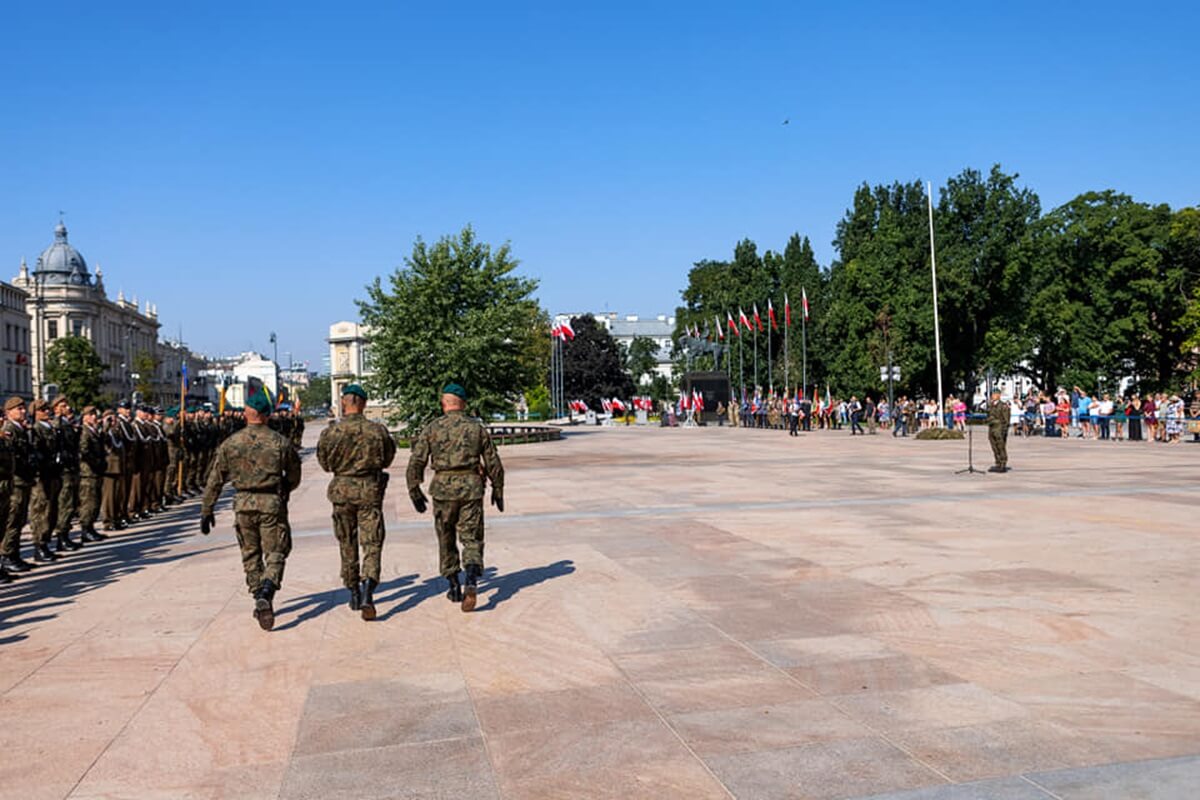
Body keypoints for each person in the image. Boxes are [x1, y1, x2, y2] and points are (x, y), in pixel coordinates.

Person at [200, 390, 301, 631]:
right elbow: (294, 474)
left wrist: (207, 509)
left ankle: (258, 595)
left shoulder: (231, 443)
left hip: (243, 503)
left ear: (247, 414)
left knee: (250, 553)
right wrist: (284, 489)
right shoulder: (279, 441)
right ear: (266, 415)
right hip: (270, 503)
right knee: (276, 551)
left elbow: (215, 478)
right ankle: (267, 588)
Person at [406, 383, 504, 612]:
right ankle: (470, 580)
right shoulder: (476, 428)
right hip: (470, 488)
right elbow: (493, 461)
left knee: (446, 536)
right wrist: (498, 488)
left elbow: (416, 461)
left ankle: (453, 586)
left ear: (444, 403)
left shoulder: (432, 427)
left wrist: (414, 489)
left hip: (443, 489)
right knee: (471, 538)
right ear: (464, 403)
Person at [316, 383, 397, 620]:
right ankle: (368, 591)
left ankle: (352, 590)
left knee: (346, 541)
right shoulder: (377, 430)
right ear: (364, 403)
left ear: (344, 402)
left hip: (342, 492)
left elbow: (324, 463)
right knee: (372, 542)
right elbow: (388, 458)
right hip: (369, 491)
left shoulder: (331, 432)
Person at [76, 405, 106, 542]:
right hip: (88, 472)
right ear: (85, 417)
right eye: (91, 414)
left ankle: (91, 527)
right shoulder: (84, 432)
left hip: (96, 471)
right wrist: (96, 462)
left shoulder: (94, 431)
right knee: (88, 502)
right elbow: (84, 451)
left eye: (95, 414)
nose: (95, 417)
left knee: (95, 501)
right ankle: (85, 528)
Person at [987, 390, 1009, 472]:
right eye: (992, 394)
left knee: (1001, 447)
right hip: (992, 429)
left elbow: (1006, 420)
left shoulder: (1003, 406)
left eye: (994, 394)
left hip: (999, 429)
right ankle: (998, 462)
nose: (992, 396)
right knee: (994, 447)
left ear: (999, 395)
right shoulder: (991, 405)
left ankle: (1003, 463)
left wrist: (1004, 431)